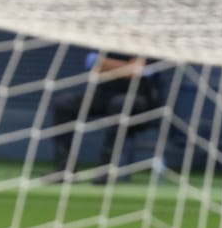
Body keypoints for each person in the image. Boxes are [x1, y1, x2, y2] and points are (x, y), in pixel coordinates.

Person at [45, 50, 162, 183]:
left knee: (120, 104)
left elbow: (134, 71)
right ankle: (64, 169)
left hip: (139, 101)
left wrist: (107, 65)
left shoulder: (149, 45)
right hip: (104, 96)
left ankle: (106, 170)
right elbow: (93, 65)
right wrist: (125, 67)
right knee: (64, 104)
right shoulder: (108, 42)